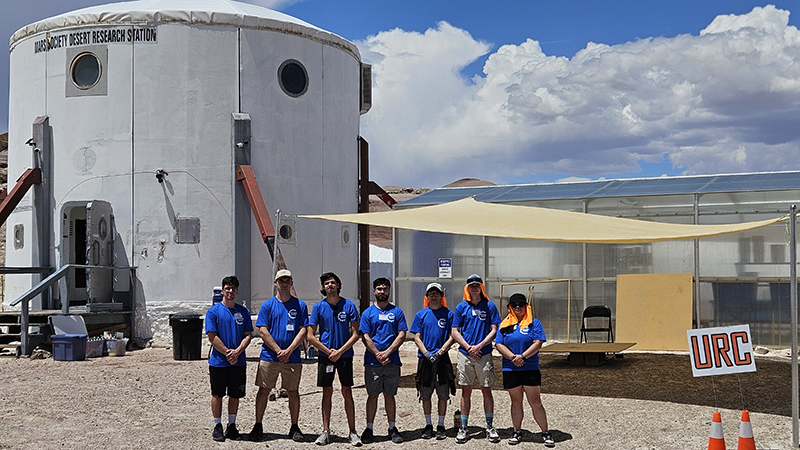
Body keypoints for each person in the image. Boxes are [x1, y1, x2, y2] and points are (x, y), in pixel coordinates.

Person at [249, 269, 309, 442]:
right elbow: (263, 330)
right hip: (270, 356)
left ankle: (294, 426)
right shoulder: (268, 306)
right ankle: (258, 425)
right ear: (275, 283)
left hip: (293, 357)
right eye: (281, 281)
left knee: (293, 392)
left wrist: (289, 350)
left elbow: (303, 329)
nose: (284, 284)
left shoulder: (300, 306)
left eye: (287, 280)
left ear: (291, 283)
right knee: (264, 390)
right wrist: (277, 350)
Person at [307, 272, 362, 446]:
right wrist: (327, 350)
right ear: (323, 288)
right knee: (327, 391)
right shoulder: (318, 307)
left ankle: (352, 431)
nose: (330, 285)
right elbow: (310, 335)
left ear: (338, 285)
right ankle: (325, 431)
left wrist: (340, 350)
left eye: (333, 282)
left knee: (347, 391)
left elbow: (356, 334)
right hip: (326, 356)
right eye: (326, 283)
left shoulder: (349, 305)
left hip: (344, 355)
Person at [495, 293, 555, 447]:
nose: (517, 307)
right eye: (514, 304)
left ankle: (545, 432)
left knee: (535, 401)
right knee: (516, 401)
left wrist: (523, 357)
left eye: (520, 304)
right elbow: (499, 344)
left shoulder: (534, 323)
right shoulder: (504, 324)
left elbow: (538, 342)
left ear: (526, 306)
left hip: (529, 367)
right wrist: (513, 358)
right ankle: (517, 431)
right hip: (510, 368)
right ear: (510, 307)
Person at [451, 274, 502, 444]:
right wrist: (468, 347)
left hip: (484, 353)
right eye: (471, 286)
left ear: (481, 287)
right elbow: (454, 331)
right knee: (466, 391)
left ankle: (489, 426)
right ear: (467, 288)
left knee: (486, 389)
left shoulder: (489, 306)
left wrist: (479, 346)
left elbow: (494, 329)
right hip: (466, 354)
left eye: (477, 285)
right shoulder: (461, 307)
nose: (474, 288)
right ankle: (464, 427)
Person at [359, 278, 408, 444]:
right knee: (372, 395)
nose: (382, 291)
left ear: (389, 291)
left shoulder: (397, 312)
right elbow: (364, 336)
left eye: (385, 289)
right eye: (379, 289)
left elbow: (401, 334)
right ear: (374, 291)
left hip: (392, 361)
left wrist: (387, 352)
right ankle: (369, 428)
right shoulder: (367, 313)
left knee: (390, 395)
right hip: (372, 363)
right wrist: (377, 354)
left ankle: (392, 427)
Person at [205, 275, 253, 442]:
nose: (230, 291)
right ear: (223, 290)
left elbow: (248, 335)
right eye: (227, 288)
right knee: (217, 394)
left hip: (238, 362)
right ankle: (217, 425)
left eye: (233, 288)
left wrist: (238, 352)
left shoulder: (243, 311)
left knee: (235, 394)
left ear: (237, 291)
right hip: (219, 362)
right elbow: (212, 336)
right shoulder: (213, 312)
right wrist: (227, 352)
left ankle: (231, 425)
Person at [410, 282, 456, 440]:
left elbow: (453, 336)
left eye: (437, 294)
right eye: (431, 294)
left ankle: (441, 425)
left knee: (443, 393)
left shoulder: (449, 314)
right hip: (425, 360)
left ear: (442, 296)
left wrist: (441, 351)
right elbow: (416, 336)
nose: (434, 297)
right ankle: (428, 424)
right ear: (427, 297)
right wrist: (426, 353)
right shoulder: (421, 314)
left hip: (442, 360)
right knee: (426, 393)